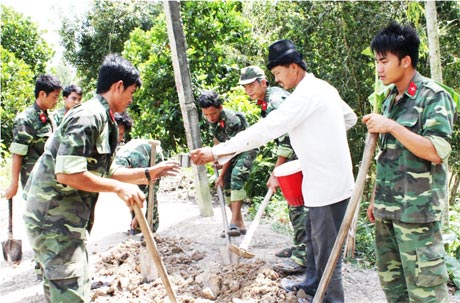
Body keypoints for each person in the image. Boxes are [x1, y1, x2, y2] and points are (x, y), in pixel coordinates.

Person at [191, 39, 357, 302]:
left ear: (293, 67)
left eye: (278, 73)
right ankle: (312, 284)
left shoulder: (306, 94)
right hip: (317, 181)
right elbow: (350, 118)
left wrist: (217, 151)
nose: (277, 80)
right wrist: (322, 137)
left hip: (329, 186)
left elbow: (266, 130)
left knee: (328, 253)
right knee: (314, 242)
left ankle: (330, 299)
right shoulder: (322, 88)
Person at [23, 54, 180, 303]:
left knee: (75, 289)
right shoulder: (87, 116)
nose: (130, 100)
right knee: (72, 295)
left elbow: (106, 171)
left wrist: (148, 173)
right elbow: (67, 173)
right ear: (118, 86)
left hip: (69, 224)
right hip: (53, 223)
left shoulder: (105, 120)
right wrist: (118, 189)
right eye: (130, 93)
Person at [363, 22, 456, 303]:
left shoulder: (434, 96)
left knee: (426, 293)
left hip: (417, 217)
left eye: (384, 61)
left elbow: (436, 151)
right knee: (395, 289)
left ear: (405, 61)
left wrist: (391, 126)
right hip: (387, 212)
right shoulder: (392, 98)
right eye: (377, 61)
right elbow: (388, 156)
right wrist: (374, 200)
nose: (379, 68)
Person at [239, 65, 308, 275]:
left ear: (263, 82)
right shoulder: (269, 99)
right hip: (297, 155)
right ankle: (299, 246)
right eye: (245, 86)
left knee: (299, 205)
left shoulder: (275, 101)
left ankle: (303, 257)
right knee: (295, 203)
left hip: (301, 155)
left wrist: (277, 171)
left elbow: (287, 136)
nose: (248, 90)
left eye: (252, 85)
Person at [198, 90, 257, 237]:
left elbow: (233, 149)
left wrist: (221, 173)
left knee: (236, 177)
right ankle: (239, 224)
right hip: (229, 152)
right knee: (225, 184)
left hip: (246, 149)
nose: (210, 117)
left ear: (220, 108)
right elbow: (217, 140)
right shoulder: (212, 120)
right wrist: (217, 159)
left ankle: (233, 222)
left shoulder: (232, 119)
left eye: (213, 114)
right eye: (206, 115)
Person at [4, 74, 62, 201]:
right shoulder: (26, 119)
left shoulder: (50, 117)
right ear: (42, 94)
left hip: (50, 179)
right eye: (55, 97)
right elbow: (17, 153)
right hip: (35, 183)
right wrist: (14, 184)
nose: (57, 101)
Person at [111, 111, 163, 234]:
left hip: (152, 156)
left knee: (151, 192)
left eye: (122, 134)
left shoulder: (137, 158)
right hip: (136, 162)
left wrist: (137, 216)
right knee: (131, 191)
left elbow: (144, 188)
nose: (120, 137)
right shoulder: (117, 160)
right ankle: (138, 226)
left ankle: (152, 226)